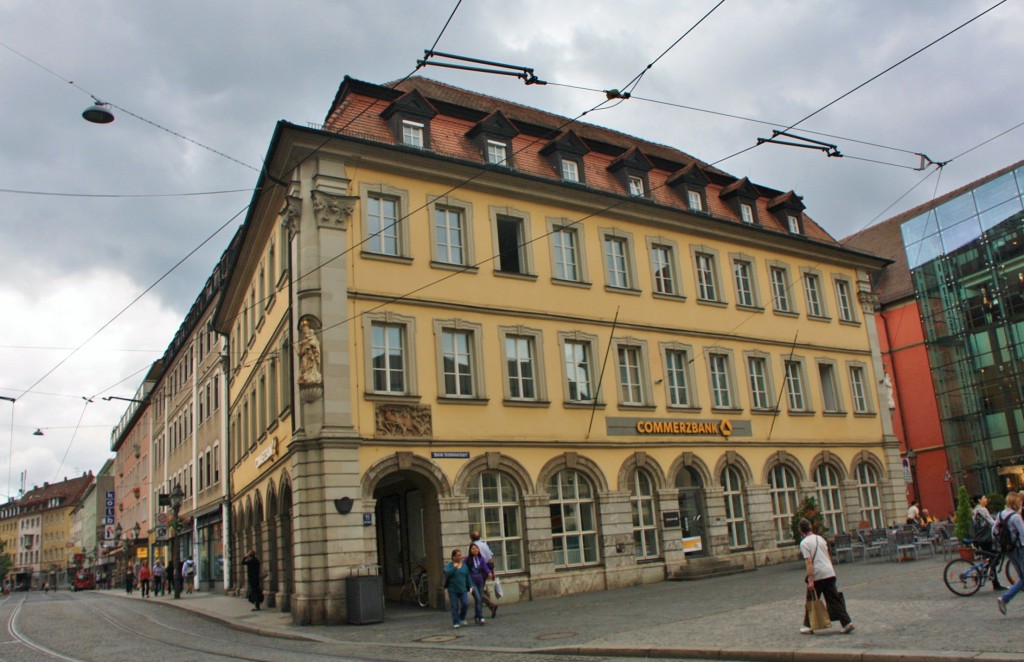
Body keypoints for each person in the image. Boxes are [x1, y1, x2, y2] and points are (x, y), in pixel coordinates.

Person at [798, 517, 854, 635]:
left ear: (801, 531)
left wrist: (811, 580)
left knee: (811, 599)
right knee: (834, 600)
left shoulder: (804, 543)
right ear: (810, 527)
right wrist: (832, 571)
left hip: (818, 574)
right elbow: (828, 555)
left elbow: (809, 562)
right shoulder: (820, 538)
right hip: (829, 572)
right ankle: (847, 623)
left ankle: (808, 626)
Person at [995, 492, 1024, 615]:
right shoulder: (1015, 517)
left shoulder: (1000, 515)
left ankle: (1006, 598)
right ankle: (1005, 598)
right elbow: (1023, 533)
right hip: (1020, 549)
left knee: (1022, 577)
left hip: (1009, 550)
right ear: (1015, 502)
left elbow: (994, 530)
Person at [470, 531, 499, 618]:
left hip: (477, 571)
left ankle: (490, 605)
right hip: (486, 569)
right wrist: (492, 571)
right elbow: (490, 559)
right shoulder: (484, 545)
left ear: (471, 538)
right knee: (480, 591)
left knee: (477, 592)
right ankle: (486, 609)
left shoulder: (472, 546)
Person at [443, 548, 471, 629]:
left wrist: (470, 585)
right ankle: (456, 621)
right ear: (453, 557)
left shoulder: (464, 565)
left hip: (462, 588)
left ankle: (461, 617)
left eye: (460, 555)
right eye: (457, 556)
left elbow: (467, 576)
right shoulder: (450, 565)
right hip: (453, 589)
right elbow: (447, 573)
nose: (459, 557)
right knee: (454, 606)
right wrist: (454, 567)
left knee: (465, 603)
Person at [466, 543, 493, 625]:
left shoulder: (481, 559)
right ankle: (480, 617)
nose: (475, 550)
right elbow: (465, 570)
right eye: (473, 549)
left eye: (476, 548)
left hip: (480, 581)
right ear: (470, 550)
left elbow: (485, 567)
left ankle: (477, 616)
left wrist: (489, 573)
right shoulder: (467, 560)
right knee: (477, 598)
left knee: (480, 599)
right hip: (471, 583)